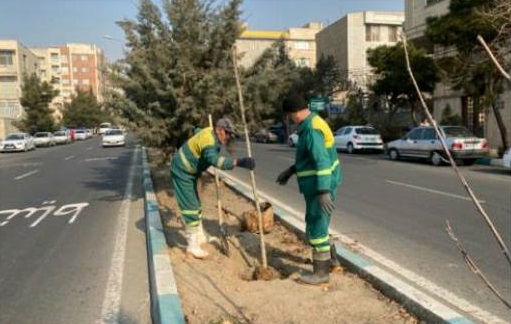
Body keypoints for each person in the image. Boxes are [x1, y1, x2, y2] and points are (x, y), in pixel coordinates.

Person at [276, 93, 342, 286]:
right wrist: (291, 171)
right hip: (319, 184)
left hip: (319, 186)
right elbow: (309, 159)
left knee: (316, 226)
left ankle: (321, 274)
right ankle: (332, 261)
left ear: (294, 113)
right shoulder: (312, 124)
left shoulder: (312, 130)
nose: (289, 120)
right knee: (320, 222)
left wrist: (323, 191)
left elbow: (321, 161)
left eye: (288, 116)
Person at [170, 117, 255, 259]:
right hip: (182, 171)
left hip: (190, 172)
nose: (228, 137)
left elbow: (198, 130)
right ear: (220, 130)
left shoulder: (209, 132)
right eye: (227, 133)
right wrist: (239, 162)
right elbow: (215, 161)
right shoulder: (209, 141)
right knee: (190, 207)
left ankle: (201, 236)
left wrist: (196, 128)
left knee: (196, 205)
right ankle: (192, 246)